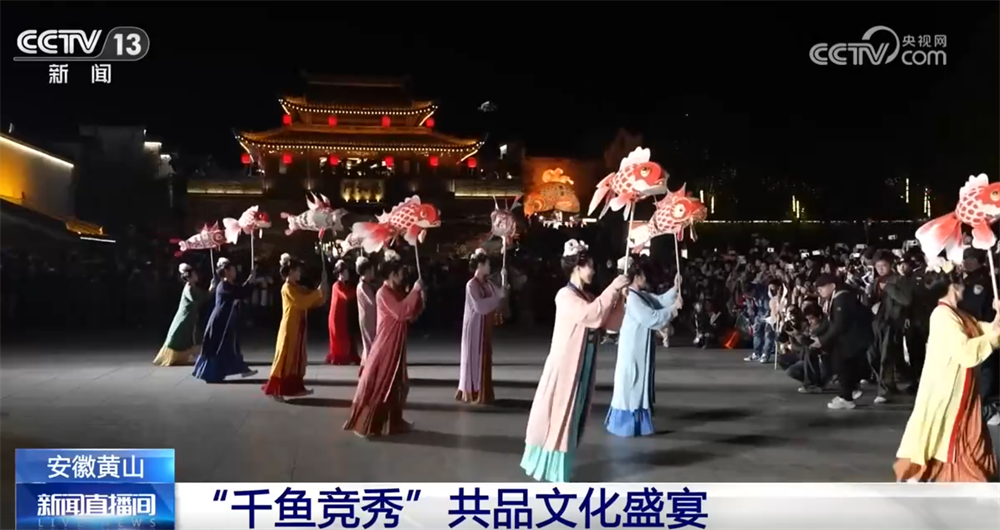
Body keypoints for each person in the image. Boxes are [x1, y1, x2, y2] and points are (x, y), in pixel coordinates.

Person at [521, 239, 629, 482]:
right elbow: (590, 315)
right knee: (559, 417)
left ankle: (559, 469)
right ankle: (551, 469)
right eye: (589, 265)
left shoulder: (587, 296)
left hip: (582, 366)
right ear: (577, 268)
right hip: (565, 368)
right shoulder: (565, 295)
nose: (593, 270)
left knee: (572, 416)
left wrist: (620, 298)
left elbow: (610, 324)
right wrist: (612, 288)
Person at [894, 260, 999, 481]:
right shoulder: (942, 315)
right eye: (960, 281)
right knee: (949, 430)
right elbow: (965, 350)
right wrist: (993, 334)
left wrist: (998, 316)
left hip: (962, 386)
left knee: (960, 429)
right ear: (954, 286)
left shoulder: (957, 314)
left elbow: (985, 330)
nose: (964, 285)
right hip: (948, 388)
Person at [343, 254, 424, 438]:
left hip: (397, 343)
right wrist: (414, 291)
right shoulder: (383, 293)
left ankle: (394, 422)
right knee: (383, 384)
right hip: (387, 344)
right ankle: (368, 423)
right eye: (400, 273)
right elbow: (401, 312)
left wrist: (418, 296)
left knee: (398, 385)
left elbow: (410, 313)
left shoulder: (395, 291)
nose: (402, 277)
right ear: (392, 275)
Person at [605, 256, 681, 438]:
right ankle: (627, 426)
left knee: (637, 383)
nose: (646, 278)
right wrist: (673, 309)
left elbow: (659, 301)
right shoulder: (632, 298)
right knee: (632, 385)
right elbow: (651, 318)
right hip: (633, 350)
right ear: (637, 276)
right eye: (643, 274)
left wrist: (675, 288)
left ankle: (635, 424)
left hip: (638, 348)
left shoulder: (639, 295)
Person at [263, 255, 328, 400]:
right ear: (291, 271)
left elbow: (311, 299)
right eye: (297, 270)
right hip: (289, 329)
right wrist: (317, 292)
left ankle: (295, 388)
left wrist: (322, 291)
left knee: (296, 359)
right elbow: (301, 302)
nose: (300, 273)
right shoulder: (287, 288)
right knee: (285, 359)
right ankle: (276, 390)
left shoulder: (297, 287)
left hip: (298, 327)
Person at [192, 257, 257, 383]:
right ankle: (212, 373)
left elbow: (241, 290)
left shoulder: (229, 285)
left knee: (230, 347)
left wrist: (251, 280)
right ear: (226, 272)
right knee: (220, 347)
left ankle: (241, 369)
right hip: (220, 321)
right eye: (232, 269)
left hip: (226, 321)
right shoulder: (224, 285)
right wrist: (251, 281)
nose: (235, 271)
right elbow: (240, 293)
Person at [456, 248, 507, 405]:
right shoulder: (471, 285)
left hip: (484, 326)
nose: (489, 267)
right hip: (474, 327)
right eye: (487, 264)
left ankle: (482, 389)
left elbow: (501, 294)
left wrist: (504, 278)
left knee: (484, 356)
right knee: (473, 358)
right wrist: (497, 297)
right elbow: (479, 306)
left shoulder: (488, 283)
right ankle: (472, 390)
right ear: (480, 265)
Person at [813, 273, 871, 410]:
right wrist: (816, 333)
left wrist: (822, 341)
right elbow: (829, 320)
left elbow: (839, 324)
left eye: (822, 288)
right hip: (851, 336)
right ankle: (850, 391)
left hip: (855, 336)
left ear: (832, 286)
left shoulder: (842, 297)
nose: (820, 291)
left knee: (841, 364)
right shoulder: (836, 297)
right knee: (843, 364)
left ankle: (846, 398)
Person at [867, 253, 913, 404]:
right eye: (878, 266)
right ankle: (893, 383)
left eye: (884, 265)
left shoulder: (899, 280)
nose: (880, 269)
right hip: (877, 322)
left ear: (890, 265)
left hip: (892, 323)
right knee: (873, 356)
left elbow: (906, 300)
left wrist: (888, 287)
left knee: (886, 357)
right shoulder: (876, 281)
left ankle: (885, 390)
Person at [153, 263, 210, 366]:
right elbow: (198, 299)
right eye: (194, 274)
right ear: (189, 276)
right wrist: (211, 290)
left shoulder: (193, 287)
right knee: (181, 337)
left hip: (189, 318)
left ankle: (190, 356)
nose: (197, 275)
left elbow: (204, 296)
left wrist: (211, 290)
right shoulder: (189, 288)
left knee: (187, 338)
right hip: (184, 318)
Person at [326, 259, 359, 365]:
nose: (347, 274)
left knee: (344, 336)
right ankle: (339, 357)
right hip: (336, 316)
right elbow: (346, 296)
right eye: (345, 272)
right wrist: (358, 291)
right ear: (339, 273)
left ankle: (345, 355)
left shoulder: (345, 285)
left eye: (347, 272)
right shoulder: (336, 285)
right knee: (338, 337)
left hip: (343, 314)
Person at [356, 256, 377, 373]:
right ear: (367, 271)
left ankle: (365, 368)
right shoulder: (362, 286)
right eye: (372, 270)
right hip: (367, 319)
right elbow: (372, 301)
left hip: (370, 317)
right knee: (370, 343)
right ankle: (369, 369)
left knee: (369, 343)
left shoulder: (366, 285)